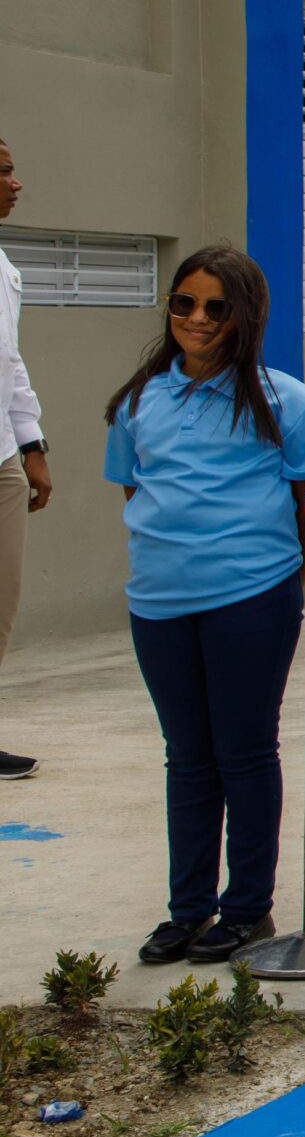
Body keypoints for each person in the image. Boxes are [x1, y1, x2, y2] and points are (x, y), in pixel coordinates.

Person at [109, 247, 305, 965]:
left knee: (244, 751)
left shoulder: (286, 401)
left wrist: (287, 587)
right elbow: (135, 492)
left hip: (252, 599)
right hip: (159, 604)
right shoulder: (139, 402)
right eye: (184, 304)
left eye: (215, 307)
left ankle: (246, 910)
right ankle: (188, 910)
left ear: (246, 315)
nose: (198, 320)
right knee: (188, 757)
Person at [0, 139, 51, 781]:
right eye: (5, 171)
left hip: (2, 459)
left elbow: (9, 365)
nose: (16, 183)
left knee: (0, 601)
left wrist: (32, 444)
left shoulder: (5, 269)